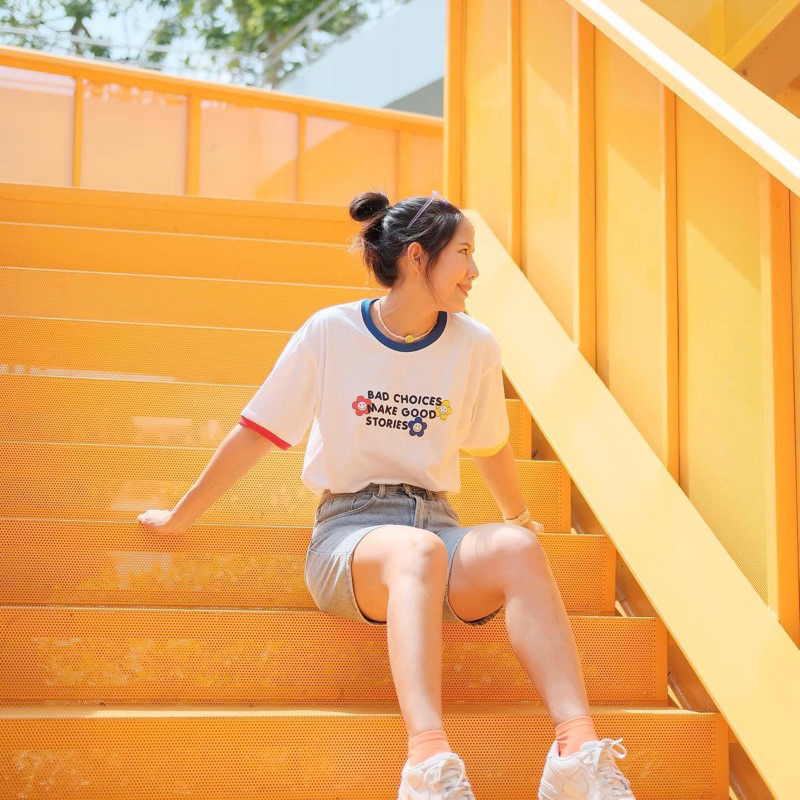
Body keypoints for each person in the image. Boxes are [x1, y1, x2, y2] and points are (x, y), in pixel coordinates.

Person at [137, 189, 635, 800]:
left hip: (438, 525)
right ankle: (427, 763)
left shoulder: (475, 344)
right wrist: (181, 516)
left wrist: (519, 517)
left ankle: (576, 756)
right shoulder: (332, 331)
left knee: (516, 548)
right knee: (413, 551)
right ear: (418, 258)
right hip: (349, 536)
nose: (476, 271)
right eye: (464, 253)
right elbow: (257, 432)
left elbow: (489, 445)